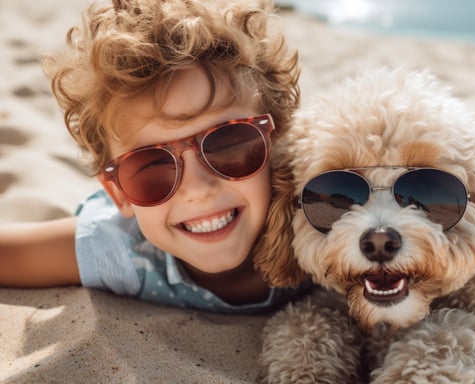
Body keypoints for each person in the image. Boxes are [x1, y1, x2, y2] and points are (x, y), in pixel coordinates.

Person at [0, 0, 309, 313]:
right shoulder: (119, 250)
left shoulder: (325, 218)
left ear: (279, 141)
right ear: (118, 193)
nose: (198, 188)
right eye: (152, 168)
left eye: (228, 144)